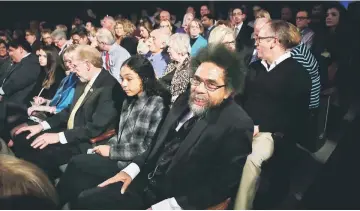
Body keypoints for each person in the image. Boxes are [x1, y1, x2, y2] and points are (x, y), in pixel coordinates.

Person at [67, 44, 253, 210]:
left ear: (229, 90)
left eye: (211, 84)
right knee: (86, 199)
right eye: (196, 80)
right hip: (144, 183)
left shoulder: (237, 123)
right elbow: (156, 145)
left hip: (177, 199)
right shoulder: (183, 100)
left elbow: (222, 186)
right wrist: (130, 171)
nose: (199, 89)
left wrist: (170, 206)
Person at [56, 55, 170, 207]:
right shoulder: (130, 99)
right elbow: (120, 134)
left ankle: (53, 202)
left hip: (130, 163)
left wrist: (111, 151)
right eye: (122, 79)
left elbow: (144, 147)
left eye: (129, 79)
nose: (123, 84)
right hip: (117, 154)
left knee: (78, 163)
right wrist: (107, 147)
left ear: (144, 78)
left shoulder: (156, 104)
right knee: (79, 172)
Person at [12, 45, 125, 180]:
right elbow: (69, 111)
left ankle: (42, 192)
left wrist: (58, 137)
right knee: (25, 137)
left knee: (40, 153)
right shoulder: (84, 79)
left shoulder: (109, 87)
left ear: (87, 65)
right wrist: (41, 126)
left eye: (75, 65)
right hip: (72, 132)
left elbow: (94, 129)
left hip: (87, 141)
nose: (72, 70)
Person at [0, 38, 41, 104]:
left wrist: (2, 91)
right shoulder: (23, 62)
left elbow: (17, 81)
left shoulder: (31, 62)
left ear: (20, 49)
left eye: (11, 50)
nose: (9, 54)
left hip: (18, 106)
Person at [160, 33, 191, 103]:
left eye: (170, 47)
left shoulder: (191, 67)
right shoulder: (172, 64)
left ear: (178, 48)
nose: (168, 50)